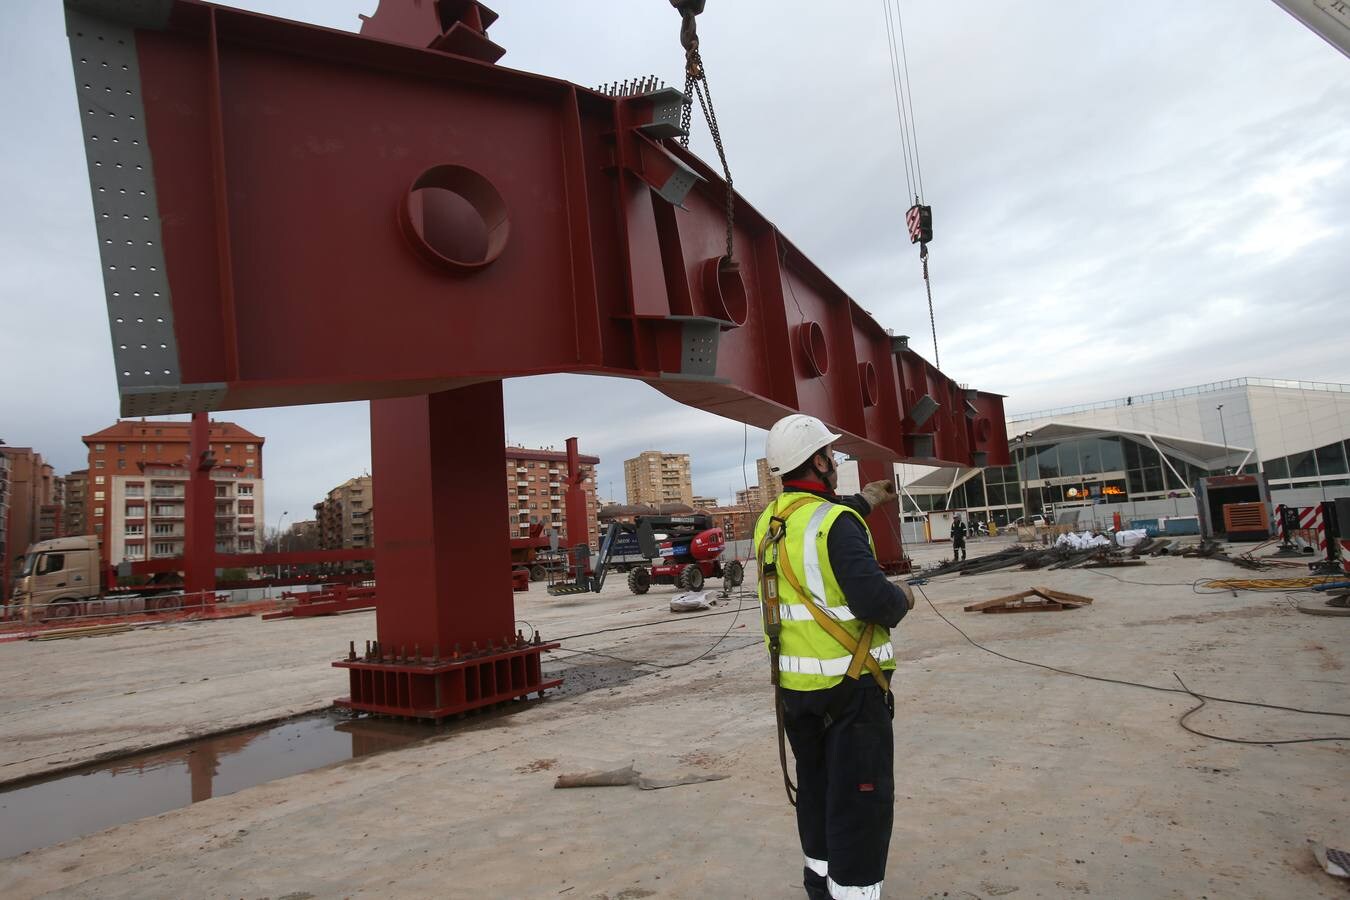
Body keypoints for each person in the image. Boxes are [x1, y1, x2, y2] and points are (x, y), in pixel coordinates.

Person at [755, 414, 913, 900]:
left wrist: (868, 499)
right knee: (861, 804)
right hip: (850, 693)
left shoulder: (773, 520)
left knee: (819, 794)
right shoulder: (836, 524)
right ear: (819, 460)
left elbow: (822, 520)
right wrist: (902, 598)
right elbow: (874, 601)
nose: (837, 463)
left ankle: (819, 885)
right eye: (833, 456)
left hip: (797, 694)